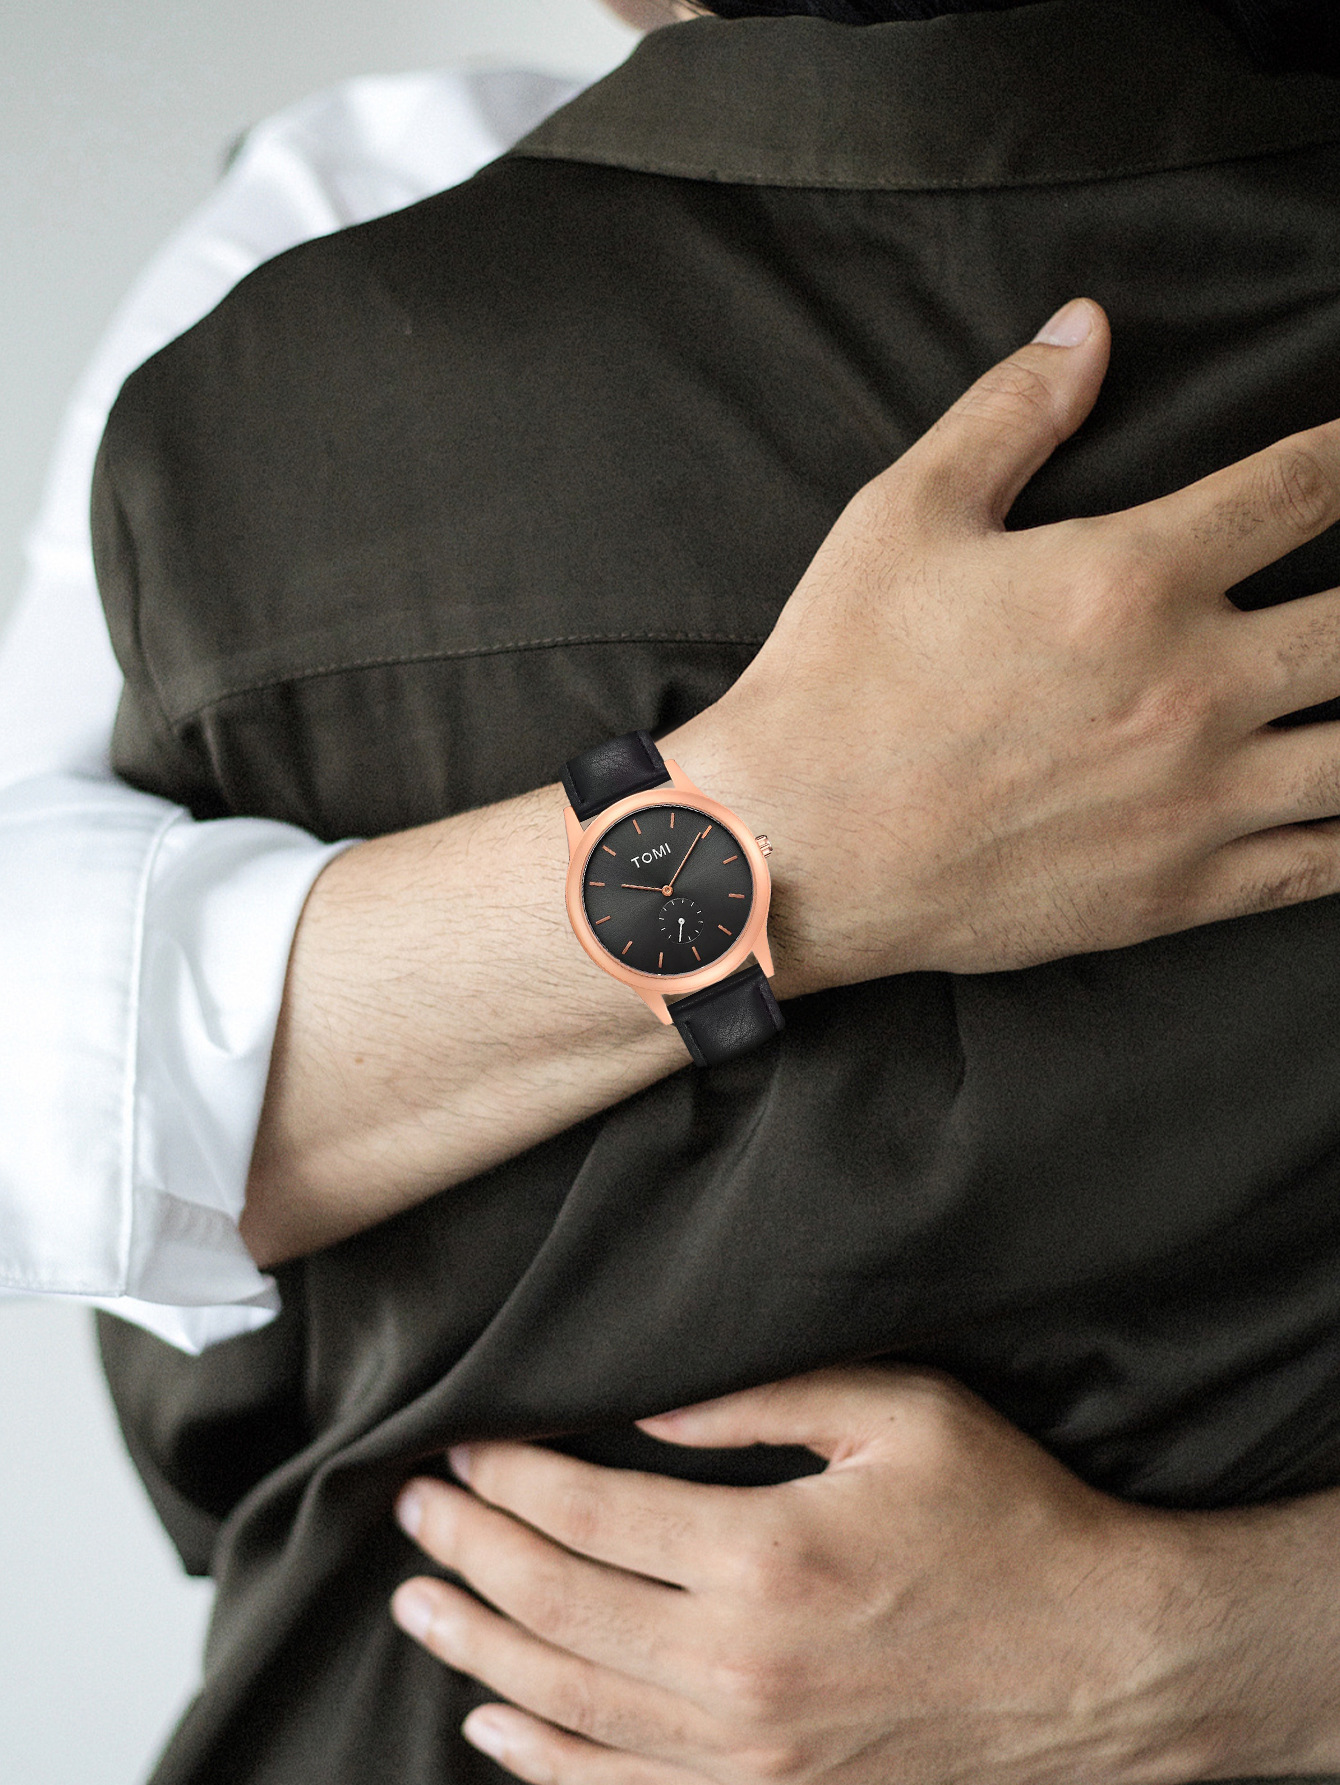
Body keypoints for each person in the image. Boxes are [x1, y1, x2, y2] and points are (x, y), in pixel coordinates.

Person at [12, 0, 1340, 1779]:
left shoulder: (267, 393)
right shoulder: (325, 229)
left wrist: (1221, 1647)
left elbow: (203, 1383)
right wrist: (783, 830)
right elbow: (49, 1091)